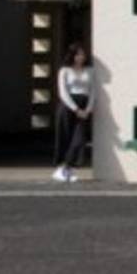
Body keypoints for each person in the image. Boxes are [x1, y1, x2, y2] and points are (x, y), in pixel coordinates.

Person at [52, 43, 94, 183]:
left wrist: (87, 109)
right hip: (68, 107)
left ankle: (64, 168)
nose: (81, 57)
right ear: (72, 56)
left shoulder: (90, 70)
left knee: (79, 139)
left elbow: (93, 91)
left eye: (82, 54)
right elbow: (63, 92)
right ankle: (65, 170)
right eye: (78, 54)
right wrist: (75, 109)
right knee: (65, 138)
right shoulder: (64, 71)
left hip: (84, 106)